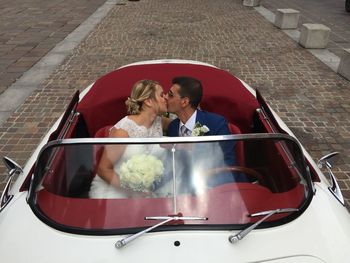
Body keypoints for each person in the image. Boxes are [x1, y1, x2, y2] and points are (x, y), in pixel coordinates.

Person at [89, 79, 170, 199]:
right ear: (148, 101)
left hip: (145, 191)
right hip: (113, 190)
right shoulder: (123, 131)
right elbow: (103, 169)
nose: (166, 98)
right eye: (161, 95)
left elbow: (185, 126)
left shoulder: (160, 122)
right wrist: (132, 190)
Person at [165, 76, 245, 188]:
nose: (165, 97)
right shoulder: (173, 128)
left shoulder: (217, 124)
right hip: (186, 191)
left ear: (184, 102)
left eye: (170, 94)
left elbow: (228, 165)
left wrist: (203, 187)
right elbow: (173, 165)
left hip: (220, 188)